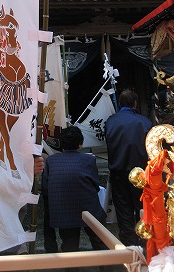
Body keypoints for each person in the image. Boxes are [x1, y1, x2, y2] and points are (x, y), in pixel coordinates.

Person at [42, 126, 107, 265]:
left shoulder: (51, 161)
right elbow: (95, 185)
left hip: (63, 210)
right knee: (99, 242)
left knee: (70, 248)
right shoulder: (88, 160)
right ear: (80, 144)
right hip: (88, 208)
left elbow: (46, 189)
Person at [105, 89, 152, 246]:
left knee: (124, 210)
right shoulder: (145, 122)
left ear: (120, 103)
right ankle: (145, 243)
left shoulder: (111, 121)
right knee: (143, 208)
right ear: (135, 103)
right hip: (141, 173)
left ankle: (129, 246)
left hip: (119, 172)